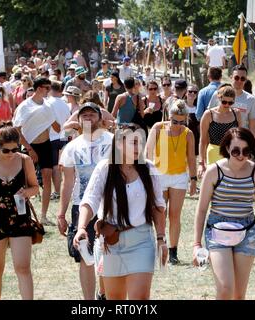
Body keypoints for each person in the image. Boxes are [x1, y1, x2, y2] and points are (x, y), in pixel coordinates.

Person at [73, 125, 167, 300]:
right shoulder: (105, 169)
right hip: (110, 243)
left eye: (141, 142)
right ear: (119, 144)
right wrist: (81, 228)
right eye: (134, 142)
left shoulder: (148, 168)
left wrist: (161, 238)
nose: (139, 147)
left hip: (141, 241)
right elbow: (89, 200)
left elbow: (157, 207)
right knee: (115, 299)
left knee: (140, 298)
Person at [193, 127, 255, 300]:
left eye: (246, 151)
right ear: (227, 149)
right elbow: (201, 210)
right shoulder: (214, 171)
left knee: (238, 294)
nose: (241, 155)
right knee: (225, 289)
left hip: (247, 231)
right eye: (236, 150)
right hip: (217, 230)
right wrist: (196, 244)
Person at [0, 122, 39, 300]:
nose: (11, 154)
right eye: (6, 150)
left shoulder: (25, 160)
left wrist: (27, 192)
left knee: (23, 266)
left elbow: (35, 187)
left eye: (14, 149)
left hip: (19, 216)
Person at [57, 102, 113, 300]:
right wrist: (62, 213)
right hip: (81, 206)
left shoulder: (113, 142)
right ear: (78, 120)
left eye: (92, 114)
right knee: (85, 255)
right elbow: (68, 182)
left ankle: (104, 293)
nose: (88, 118)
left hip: (109, 205)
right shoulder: (72, 147)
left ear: (100, 118)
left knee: (110, 252)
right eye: (84, 115)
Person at [146, 100, 197, 264]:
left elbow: (191, 157)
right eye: (175, 121)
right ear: (168, 117)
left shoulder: (188, 133)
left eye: (182, 122)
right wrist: (147, 173)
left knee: (175, 215)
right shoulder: (158, 128)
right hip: (159, 176)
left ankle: (173, 252)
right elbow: (148, 151)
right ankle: (161, 246)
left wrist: (194, 179)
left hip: (179, 177)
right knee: (160, 213)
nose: (178, 125)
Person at [13, 77, 61, 226]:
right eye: (47, 88)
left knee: (47, 179)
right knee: (25, 182)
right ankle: (23, 215)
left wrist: (53, 120)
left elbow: (57, 127)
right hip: (30, 145)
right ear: (39, 88)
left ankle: (44, 216)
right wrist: (29, 149)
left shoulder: (48, 106)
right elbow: (17, 130)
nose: (49, 90)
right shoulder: (25, 106)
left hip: (46, 144)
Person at [209, 65, 255, 142]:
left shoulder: (251, 100)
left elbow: (253, 127)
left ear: (246, 80)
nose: (239, 81)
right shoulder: (217, 95)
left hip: (241, 142)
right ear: (231, 77)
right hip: (219, 141)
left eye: (242, 78)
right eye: (236, 78)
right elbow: (208, 119)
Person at [199, 86, 241, 177]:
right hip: (214, 151)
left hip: (231, 153)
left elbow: (240, 137)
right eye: (224, 102)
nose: (227, 105)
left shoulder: (236, 113)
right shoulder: (208, 114)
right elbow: (203, 141)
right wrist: (201, 163)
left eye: (230, 103)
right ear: (219, 98)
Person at [48, 81, 71, 201]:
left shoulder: (48, 103)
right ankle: (62, 189)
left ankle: (57, 191)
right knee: (62, 166)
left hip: (52, 137)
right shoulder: (65, 104)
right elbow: (68, 119)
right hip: (64, 136)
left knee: (55, 167)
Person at [186, 84, 200, 156]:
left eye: (195, 92)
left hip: (194, 139)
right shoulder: (181, 106)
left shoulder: (198, 108)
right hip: (182, 138)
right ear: (186, 93)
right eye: (190, 91)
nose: (192, 93)